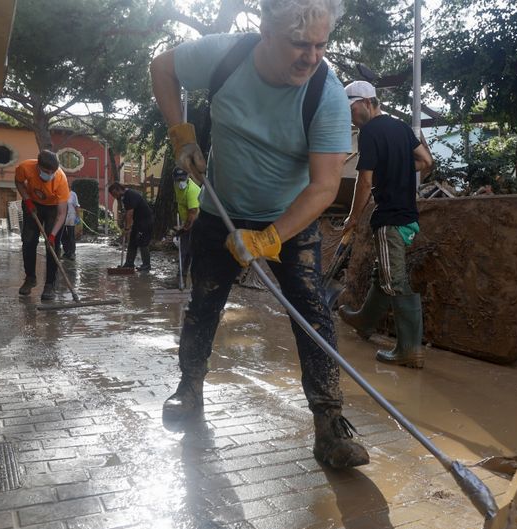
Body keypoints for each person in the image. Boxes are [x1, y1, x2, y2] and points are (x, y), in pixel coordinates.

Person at [149, 0, 367, 468]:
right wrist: (181, 135)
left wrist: (269, 239)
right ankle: (189, 389)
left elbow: (325, 186)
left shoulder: (325, 95)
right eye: (299, 44)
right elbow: (162, 67)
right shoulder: (226, 56)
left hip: (290, 219)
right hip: (219, 212)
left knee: (312, 313)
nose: (311, 57)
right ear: (266, 31)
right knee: (205, 301)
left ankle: (329, 425)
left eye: (321, 45)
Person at [338, 80, 433, 369]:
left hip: (390, 219)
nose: (351, 116)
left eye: (353, 109)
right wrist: (398, 167)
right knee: (386, 273)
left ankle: (410, 349)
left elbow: (365, 181)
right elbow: (426, 161)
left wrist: (353, 219)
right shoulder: (401, 127)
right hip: (408, 216)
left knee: (396, 281)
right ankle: (364, 321)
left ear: (368, 102)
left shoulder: (369, 133)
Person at [14, 150, 69, 300]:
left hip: (53, 209)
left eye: (53, 171)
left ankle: (50, 284)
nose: (49, 174)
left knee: (52, 246)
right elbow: (19, 182)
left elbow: (62, 214)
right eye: (46, 171)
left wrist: (52, 235)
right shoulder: (25, 168)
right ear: (38, 166)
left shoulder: (61, 180)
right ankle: (30, 278)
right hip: (33, 203)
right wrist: (27, 200)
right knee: (28, 241)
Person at [108, 182, 154, 271]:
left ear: (119, 189)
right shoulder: (124, 197)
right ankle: (129, 264)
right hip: (138, 222)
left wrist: (127, 228)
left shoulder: (129, 195)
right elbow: (128, 212)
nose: (114, 196)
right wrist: (124, 220)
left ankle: (146, 265)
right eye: (112, 195)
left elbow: (130, 213)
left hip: (145, 221)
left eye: (114, 193)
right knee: (132, 241)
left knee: (143, 242)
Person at [172, 167, 200, 285]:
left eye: (182, 179)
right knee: (185, 248)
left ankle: (196, 277)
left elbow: (193, 212)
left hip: (198, 221)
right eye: (177, 180)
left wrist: (184, 228)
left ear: (188, 177)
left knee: (194, 248)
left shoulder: (192, 190)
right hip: (187, 220)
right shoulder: (176, 186)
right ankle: (182, 273)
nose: (180, 182)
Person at [61, 187, 80, 261]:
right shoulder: (60, 193)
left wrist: (78, 217)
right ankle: (66, 252)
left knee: (71, 235)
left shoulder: (73, 194)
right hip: (62, 217)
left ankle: (72, 253)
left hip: (71, 217)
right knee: (63, 235)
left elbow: (76, 206)